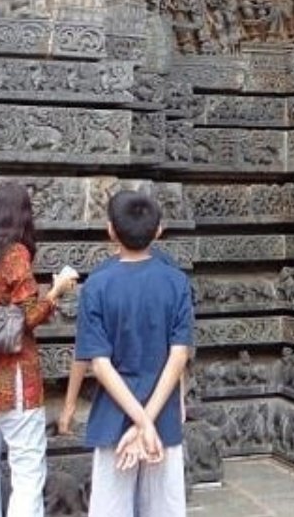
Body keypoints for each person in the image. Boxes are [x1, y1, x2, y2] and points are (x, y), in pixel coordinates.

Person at [0, 182, 77, 517]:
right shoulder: (15, 255)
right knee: (27, 470)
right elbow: (29, 317)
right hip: (13, 380)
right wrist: (56, 292)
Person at [74, 190, 192, 517]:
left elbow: (99, 364)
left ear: (111, 230)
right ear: (158, 231)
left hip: (114, 416)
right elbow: (178, 356)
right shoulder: (176, 282)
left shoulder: (97, 285)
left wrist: (139, 424)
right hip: (162, 415)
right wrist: (149, 423)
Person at [57, 242, 187, 437]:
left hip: (114, 407)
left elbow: (87, 347)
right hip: (162, 405)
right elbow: (178, 350)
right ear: (158, 229)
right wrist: (179, 399)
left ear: (112, 230)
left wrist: (70, 405)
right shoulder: (173, 276)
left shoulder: (101, 278)